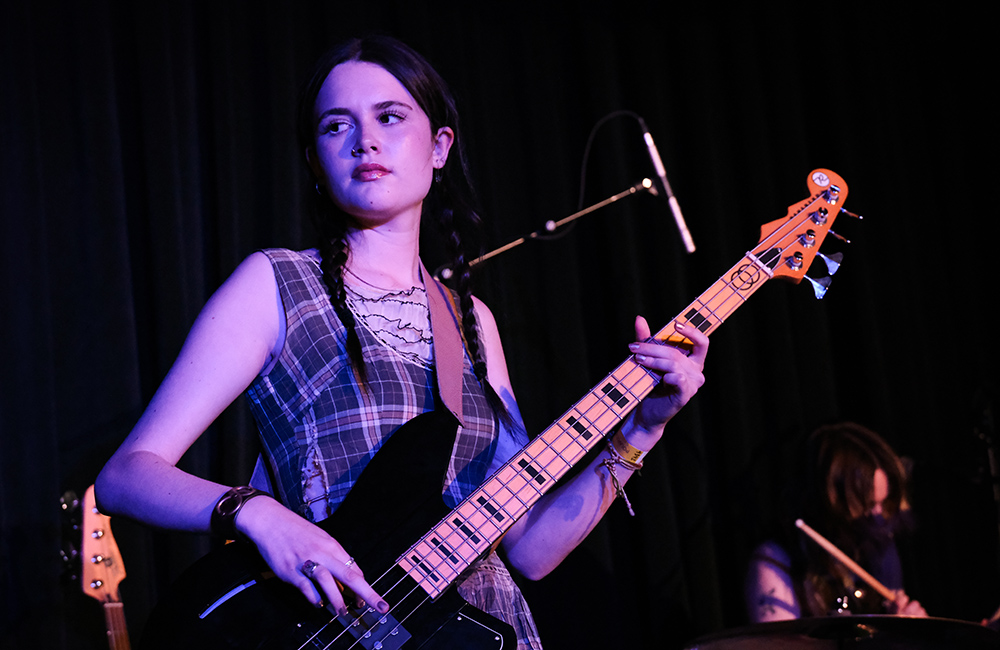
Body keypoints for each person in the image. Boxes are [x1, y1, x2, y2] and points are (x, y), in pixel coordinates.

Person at [95, 35, 708, 650]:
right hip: (339, 629)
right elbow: (125, 477)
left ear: (439, 147)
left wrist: (640, 430)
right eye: (337, 126)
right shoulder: (276, 285)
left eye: (390, 117)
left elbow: (532, 550)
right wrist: (256, 513)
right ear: (314, 160)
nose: (365, 140)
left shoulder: (472, 320)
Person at [744, 422, 927, 623]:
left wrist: (907, 629)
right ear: (832, 503)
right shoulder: (777, 560)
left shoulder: (879, 546)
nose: (878, 514)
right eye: (868, 505)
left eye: (884, 503)